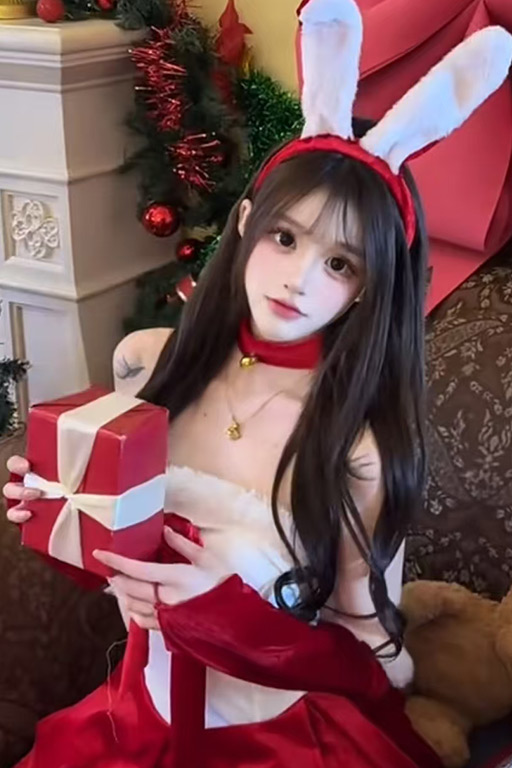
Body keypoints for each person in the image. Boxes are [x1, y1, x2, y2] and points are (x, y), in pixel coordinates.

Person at [4, 1, 511, 766]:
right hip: (138, 715)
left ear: (367, 288)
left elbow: (365, 659)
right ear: (245, 223)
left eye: (339, 263)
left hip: (274, 736)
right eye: (285, 236)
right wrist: (54, 505)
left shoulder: (355, 445)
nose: (299, 278)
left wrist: (226, 612)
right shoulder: (151, 368)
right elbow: (117, 553)